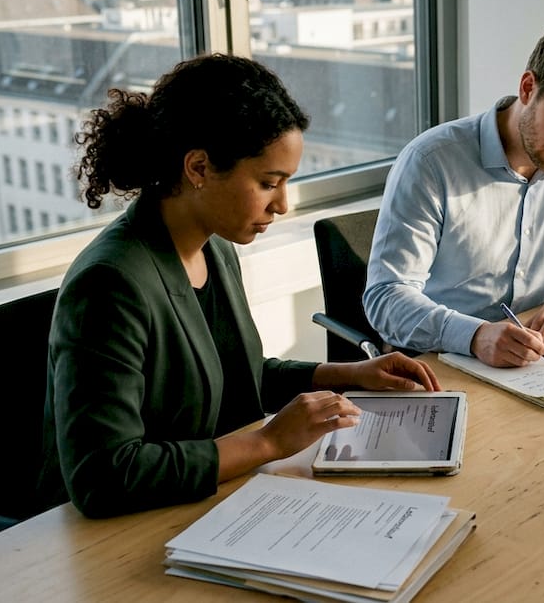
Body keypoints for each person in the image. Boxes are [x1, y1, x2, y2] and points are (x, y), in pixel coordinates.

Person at [39, 54, 440, 519]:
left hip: (215, 503)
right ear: (199, 168)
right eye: (270, 183)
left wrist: (352, 375)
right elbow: (103, 476)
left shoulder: (214, 247)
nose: (283, 205)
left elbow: (236, 377)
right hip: (119, 533)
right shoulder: (109, 284)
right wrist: (268, 441)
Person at [364, 27, 544, 367]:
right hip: (433, 361)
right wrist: (475, 336)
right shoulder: (431, 162)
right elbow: (386, 299)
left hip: (531, 361)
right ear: (528, 88)